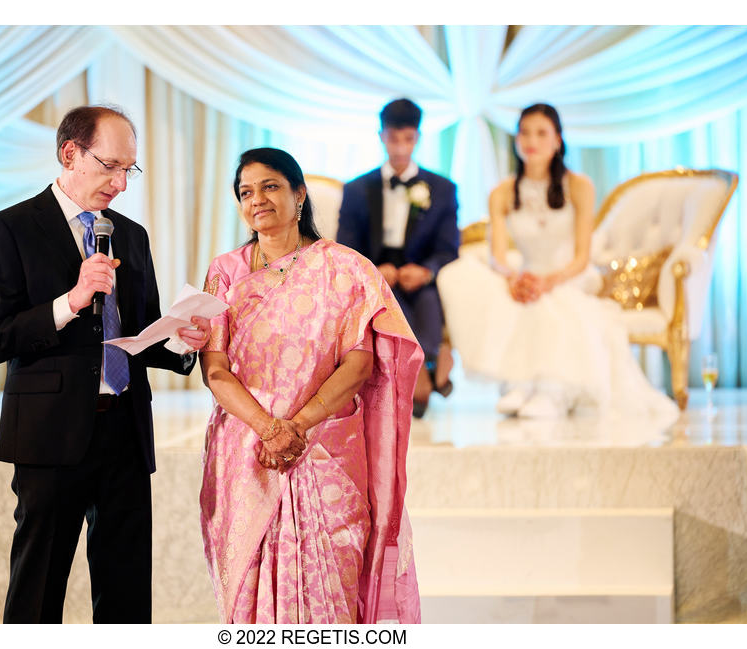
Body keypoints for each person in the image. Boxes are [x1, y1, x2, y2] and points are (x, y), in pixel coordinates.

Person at [0, 105, 212, 623]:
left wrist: (182, 341)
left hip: (125, 431)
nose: (121, 183)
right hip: (50, 436)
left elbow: (139, 333)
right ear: (70, 154)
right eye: (110, 166)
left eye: (130, 169)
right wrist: (71, 301)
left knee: (125, 593)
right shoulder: (9, 229)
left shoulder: (130, 234)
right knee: (38, 588)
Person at [198, 147, 422, 624]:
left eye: (270, 186)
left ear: (300, 194)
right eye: (245, 192)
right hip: (247, 451)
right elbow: (214, 368)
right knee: (249, 594)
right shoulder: (225, 272)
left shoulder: (347, 270)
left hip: (325, 450)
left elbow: (358, 365)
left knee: (331, 592)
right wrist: (269, 428)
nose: (257, 199)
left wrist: (296, 426)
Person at [438, 103, 678, 419]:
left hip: (569, 274)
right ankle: (521, 383)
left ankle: (550, 389)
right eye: (524, 132)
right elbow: (497, 256)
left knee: (552, 303)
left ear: (558, 140)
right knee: (475, 282)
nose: (531, 140)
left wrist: (548, 281)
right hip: (525, 275)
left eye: (541, 133)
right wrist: (513, 278)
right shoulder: (502, 192)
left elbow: (582, 256)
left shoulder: (579, 186)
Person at [336, 98, 460, 417]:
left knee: (429, 304)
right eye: (394, 139)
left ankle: (423, 371)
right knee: (393, 307)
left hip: (418, 273)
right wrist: (374, 271)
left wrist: (427, 271)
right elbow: (346, 247)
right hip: (378, 275)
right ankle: (427, 377)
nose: (401, 148)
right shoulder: (357, 189)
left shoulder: (443, 188)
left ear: (418, 137)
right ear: (381, 136)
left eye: (408, 139)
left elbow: (449, 247)